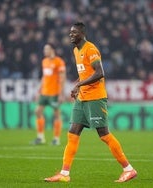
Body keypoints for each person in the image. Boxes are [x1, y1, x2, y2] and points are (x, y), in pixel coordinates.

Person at [44, 22, 137, 183]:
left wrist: (79, 84)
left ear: (82, 34)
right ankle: (64, 173)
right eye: (70, 32)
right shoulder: (76, 50)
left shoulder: (90, 49)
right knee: (72, 133)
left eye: (74, 32)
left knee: (104, 135)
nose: (71, 35)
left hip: (95, 97)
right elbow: (84, 73)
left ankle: (128, 169)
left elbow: (100, 73)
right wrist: (78, 86)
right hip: (82, 98)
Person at [32, 43, 66, 145]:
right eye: (44, 49)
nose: (44, 51)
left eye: (46, 49)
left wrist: (61, 94)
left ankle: (56, 139)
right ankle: (40, 137)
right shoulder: (44, 61)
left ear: (52, 50)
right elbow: (44, 77)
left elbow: (62, 78)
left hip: (54, 93)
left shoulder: (59, 62)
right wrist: (39, 90)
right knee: (37, 112)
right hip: (44, 92)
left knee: (56, 115)